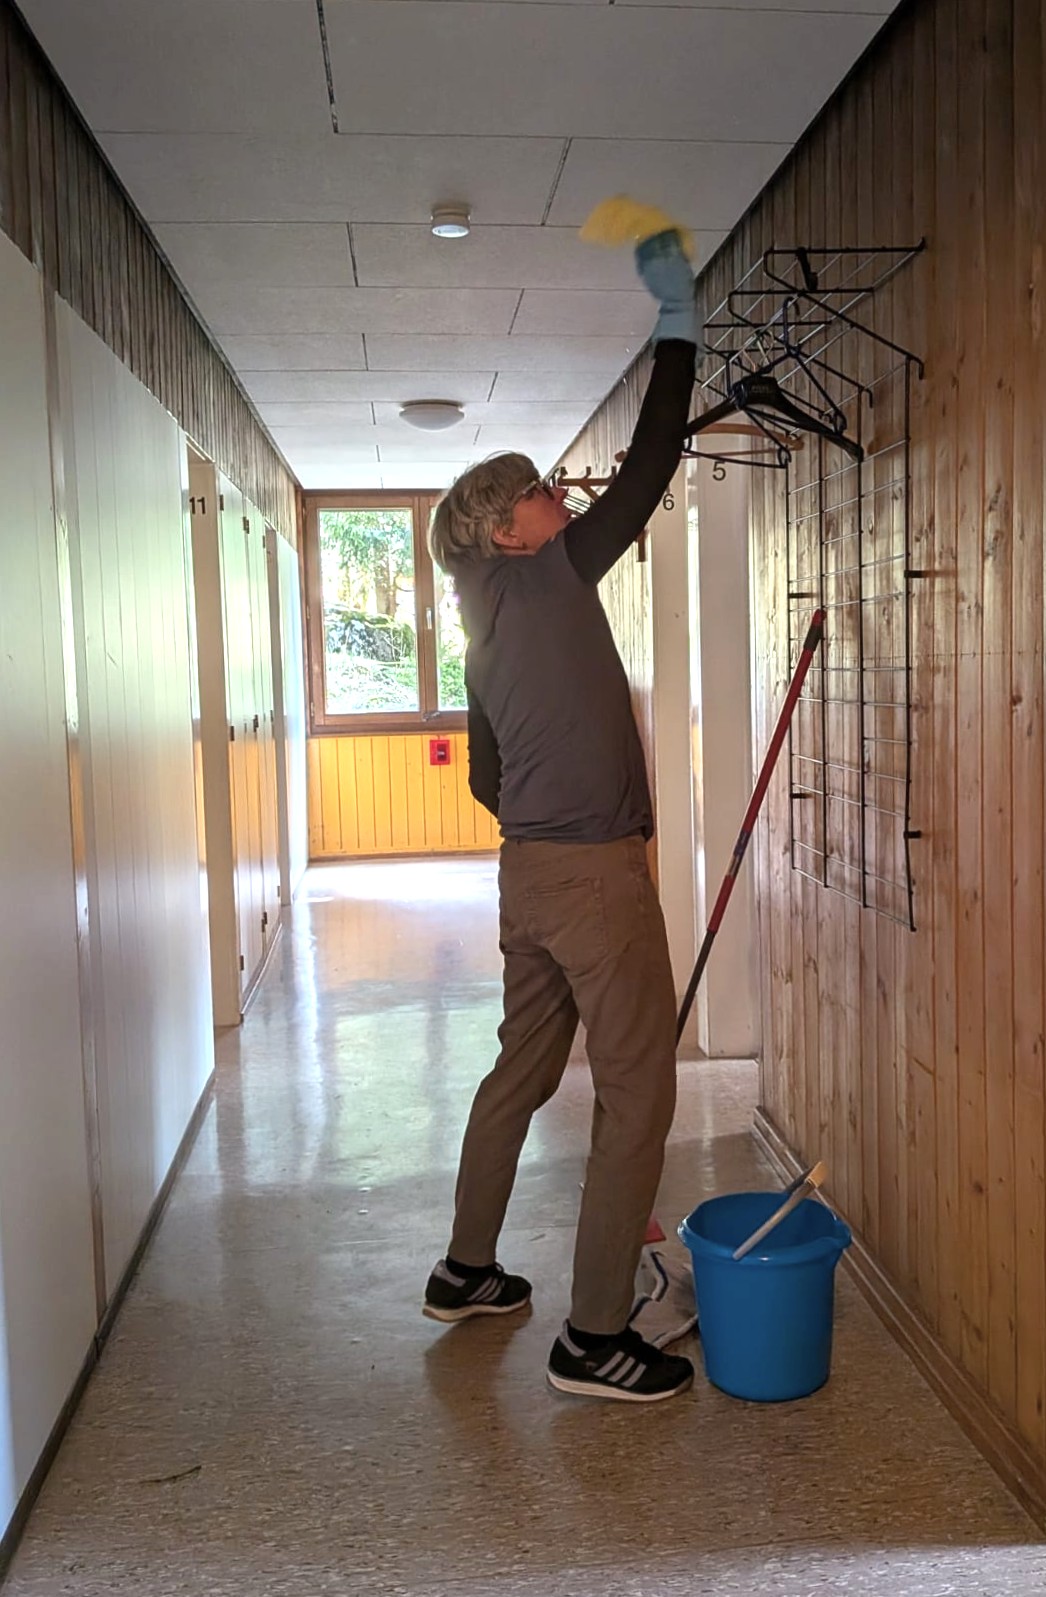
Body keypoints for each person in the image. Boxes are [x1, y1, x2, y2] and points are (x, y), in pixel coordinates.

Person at [422, 228, 698, 1403]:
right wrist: (675, 324)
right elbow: (650, 464)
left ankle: (466, 1270)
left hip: (527, 875)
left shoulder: (483, 626)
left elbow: (487, 778)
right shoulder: (544, 574)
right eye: (541, 489)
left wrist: (553, 817)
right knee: (639, 1092)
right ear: (508, 529)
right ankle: (593, 1336)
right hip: (588, 875)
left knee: (522, 1070)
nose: (560, 495)